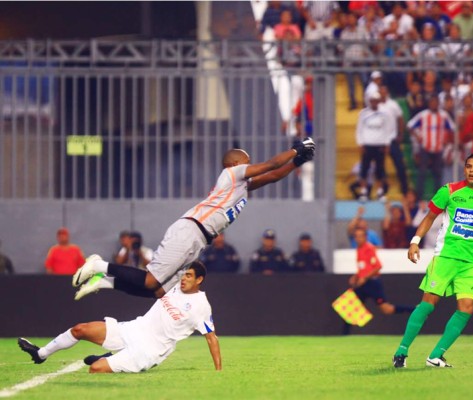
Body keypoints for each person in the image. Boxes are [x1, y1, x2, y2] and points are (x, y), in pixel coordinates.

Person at [72, 139, 316, 300]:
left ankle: (104, 282)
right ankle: (98, 265)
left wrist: (297, 162)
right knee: (150, 279)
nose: (250, 164)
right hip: (190, 229)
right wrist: (295, 149)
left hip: (199, 238)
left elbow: (273, 175)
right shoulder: (232, 173)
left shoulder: (240, 185)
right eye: (247, 160)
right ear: (235, 163)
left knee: (158, 291)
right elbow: (271, 165)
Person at [392, 153, 473, 368]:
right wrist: (415, 241)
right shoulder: (450, 191)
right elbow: (429, 217)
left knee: (467, 307)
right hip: (445, 257)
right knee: (428, 304)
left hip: (470, 262)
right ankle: (401, 352)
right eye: (468, 166)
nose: (471, 170)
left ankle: (435, 356)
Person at [18, 261, 221, 373]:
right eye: (184, 274)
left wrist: (218, 372)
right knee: (80, 329)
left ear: (199, 280)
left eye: (189, 276)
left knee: (95, 369)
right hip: (134, 328)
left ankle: (110, 358)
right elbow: (144, 284)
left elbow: (211, 338)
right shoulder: (174, 286)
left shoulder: (201, 306)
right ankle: (40, 354)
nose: (183, 279)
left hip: (148, 350)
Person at [343, 227, 414, 335]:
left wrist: (364, 278)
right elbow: (363, 267)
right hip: (363, 284)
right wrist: (356, 276)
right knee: (350, 307)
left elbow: (378, 266)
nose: (357, 239)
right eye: (356, 236)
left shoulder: (369, 248)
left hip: (371, 283)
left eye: (360, 236)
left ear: (365, 237)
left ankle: (415, 310)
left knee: (387, 309)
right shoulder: (359, 249)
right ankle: (344, 335)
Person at [355, 91, 393, 201]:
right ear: (369, 101)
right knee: (364, 169)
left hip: (380, 145)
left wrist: (387, 143)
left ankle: (380, 192)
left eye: (376, 101)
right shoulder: (363, 114)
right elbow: (359, 130)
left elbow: (387, 130)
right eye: (372, 101)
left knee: (380, 169)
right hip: (367, 144)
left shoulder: (384, 114)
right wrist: (360, 143)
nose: (374, 103)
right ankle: (363, 192)